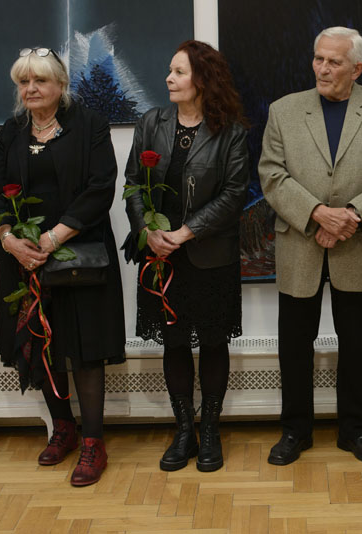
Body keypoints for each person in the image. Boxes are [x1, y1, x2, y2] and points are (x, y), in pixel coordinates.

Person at [259, 26, 362, 466]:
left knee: (355, 343)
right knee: (294, 343)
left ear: (357, 68)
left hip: (358, 244)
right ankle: (295, 431)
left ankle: (355, 432)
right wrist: (317, 214)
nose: (323, 68)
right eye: (318, 58)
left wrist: (351, 217)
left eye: (334, 61)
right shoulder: (284, 111)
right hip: (300, 244)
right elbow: (272, 175)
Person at [0, 47, 125, 486]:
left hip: (78, 254)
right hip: (22, 259)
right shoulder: (11, 131)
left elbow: (101, 189)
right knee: (39, 344)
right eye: (23, 81)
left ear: (60, 85)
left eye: (39, 80)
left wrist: (52, 238)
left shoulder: (91, 125)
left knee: (84, 346)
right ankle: (63, 428)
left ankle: (93, 442)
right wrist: (10, 239)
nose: (30, 89)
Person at [124, 40, 249, 473]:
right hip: (161, 257)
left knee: (213, 342)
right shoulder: (151, 122)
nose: (169, 79)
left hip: (209, 255)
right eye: (170, 71)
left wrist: (184, 232)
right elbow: (133, 184)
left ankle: (210, 430)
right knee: (174, 342)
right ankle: (184, 431)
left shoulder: (230, 131)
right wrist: (148, 231)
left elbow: (234, 194)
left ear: (203, 79)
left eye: (178, 72)